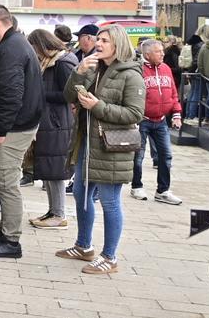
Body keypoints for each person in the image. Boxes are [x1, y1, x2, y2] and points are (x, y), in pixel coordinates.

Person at [58, 26, 145, 275]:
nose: (99, 43)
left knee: (109, 201)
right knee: (81, 193)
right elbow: (68, 96)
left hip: (112, 146)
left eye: (104, 40)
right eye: (98, 39)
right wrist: (78, 72)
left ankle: (110, 257)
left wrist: (98, 106)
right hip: (87, 140)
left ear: (117, 44)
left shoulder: (131, 75)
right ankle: (83, 245)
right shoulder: (94, 68)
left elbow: (135, 113)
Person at [0, 5, 44, 259]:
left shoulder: (12, 48)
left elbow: (11, 94)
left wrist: (1, 129)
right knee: (4, 181)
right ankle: (5, 231)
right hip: (18, 124)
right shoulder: (13, 43)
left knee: (6, 183)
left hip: (14, 128)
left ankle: (11, 240)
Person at [27, 29, 75, 229]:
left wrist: (41, 93)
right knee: (49, 169)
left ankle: (59, 214)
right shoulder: (51, 61)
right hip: (50, 122)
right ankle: (52, 210)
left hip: (58, 123)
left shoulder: (63, 62)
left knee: (55, 170)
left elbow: (68, 95)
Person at [131, 40, 183, 204]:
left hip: (161, 121)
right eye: (158, 51)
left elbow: (173, 93)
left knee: (166, 156)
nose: (162, 54)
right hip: (142, 120)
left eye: (162, 51)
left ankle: (163, 191)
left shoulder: (166, 68)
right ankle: (136, 186)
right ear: (147, 54)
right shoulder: (137, 70)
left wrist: (176, 114)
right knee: (138, 156)